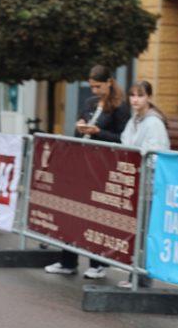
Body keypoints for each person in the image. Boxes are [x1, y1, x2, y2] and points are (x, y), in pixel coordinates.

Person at [44, 64, 130, 279]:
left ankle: (97, 263)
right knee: (73, 211)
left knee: (96, 217)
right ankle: (68, 260)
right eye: (91, 86)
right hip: (82, 163)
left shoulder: (120, 107)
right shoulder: (90, 103)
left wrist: (98, 132)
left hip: (103, 166)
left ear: (109, 82)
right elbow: (78, 131)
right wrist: (81, 126)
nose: (94, 91)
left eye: (98, 86)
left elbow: (123, 138)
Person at [117, 80, 169, 289]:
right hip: (133, 182)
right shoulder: (134, 120)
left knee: (145, 230)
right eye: (132, 95)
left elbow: (156, 153)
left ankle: (143, 276)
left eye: (140, 95)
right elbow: (125, 142)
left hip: (148, 185)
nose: (135, 99)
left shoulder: (153, 123)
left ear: (149, 97)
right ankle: (134, 273)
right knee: (135, 229)